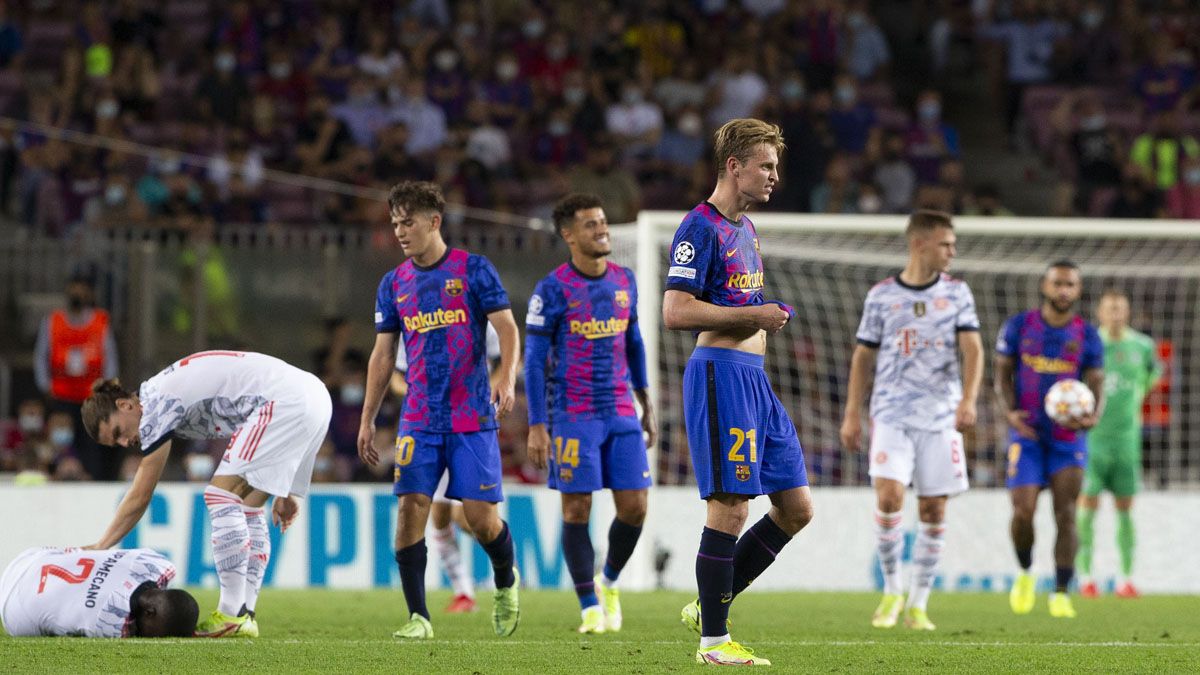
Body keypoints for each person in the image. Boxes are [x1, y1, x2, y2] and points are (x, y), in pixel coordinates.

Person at [662, 118, 813, 666]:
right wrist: (755, 314)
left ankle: (709, 607)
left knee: (795, 508)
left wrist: (764, 315)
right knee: (730, 507)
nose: (775, 176)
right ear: (734, 166)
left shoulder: (745, 229)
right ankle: (714, 644)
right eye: (766, 166)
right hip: (721, 374)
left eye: (776, 166)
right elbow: (675, 311)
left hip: (755, 381)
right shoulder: (698, 227)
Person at [357, 181, 521, 640]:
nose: (400, 231)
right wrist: (368, 417)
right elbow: (383, 355)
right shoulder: (394, 284)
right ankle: (418, 618)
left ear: (434, 221)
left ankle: (506, 582)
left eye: (407, 221)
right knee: (411, 507)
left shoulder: (473, 270)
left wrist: (506, 376)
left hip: (472, 417)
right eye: (394, 223)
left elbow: (507, 328)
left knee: (482, 521)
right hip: (419, 419)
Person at [79, 350, 333, 638]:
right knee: (248, 507)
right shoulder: (161, 391)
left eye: (118, 433)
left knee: (220, 496)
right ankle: (245, 615)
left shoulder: (154, 405)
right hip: (314, 397)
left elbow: (141, 494)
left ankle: (230, 613)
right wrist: (286, 490)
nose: (126, 442)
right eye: (117, 443)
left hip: (284, 402)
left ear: (125, 405)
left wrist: (102, 545)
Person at [841, 211, 982, 631]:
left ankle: (919, 603)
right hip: (891, 412)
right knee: (888, 497)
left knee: (934, 506)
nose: (952, 252)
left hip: (940, 416)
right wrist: (852, 412)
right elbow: (863, 355)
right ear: (920, 243)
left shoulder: (957, 293)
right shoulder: (882, 296)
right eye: (946, 244)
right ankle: (892, 590)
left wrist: (968, 400)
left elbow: (973, 350)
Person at [524, 193, 657, 634]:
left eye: (603, 222)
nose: (602, 230)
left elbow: (635, 343)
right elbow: (534, 362)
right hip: (573, 413)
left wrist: (647, 402)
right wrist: (538, 425)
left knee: (635, 507)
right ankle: (589, 607)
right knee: (577, 508)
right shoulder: (552, 289)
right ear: (568, 235)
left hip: (620, 407)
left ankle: (610, 580)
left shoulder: (625, 280)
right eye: (590, 225)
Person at [994, 261, 1104, 619]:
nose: (1063, 290)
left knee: (1066, 513)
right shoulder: (1020, 326)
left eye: (1070, 284)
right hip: (1026, 436)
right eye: (1057, 283)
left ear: (1078, 290)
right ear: (1044, 286)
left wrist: (1095, 414)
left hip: (1067, 438)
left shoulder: (1086, 334)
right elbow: (1002, 374)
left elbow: (1097, 380)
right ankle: (1025, 572)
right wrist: (1009, 412)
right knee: (1023, 512)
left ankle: (1060, 592)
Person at [391, 322, 503, 614]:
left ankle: (507, 563)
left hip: (469, 425)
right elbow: (396, 377)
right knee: (439, 516)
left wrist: (484, 393)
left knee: (470, 518)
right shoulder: (415, 323)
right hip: (429, 427)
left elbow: (504, 363)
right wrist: (420, 392)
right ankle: (464, 591)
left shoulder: (482, 321)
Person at [1077, 290, 1161, 599]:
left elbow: (1154, 373)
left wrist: (1139, 394)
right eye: (1110, 309)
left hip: (1127, 441)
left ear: (1127, 312)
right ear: (1100, 312)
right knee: (1087, 508)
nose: (1115, 314)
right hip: (1092, 441)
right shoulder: (1089, 344)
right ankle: (1086, 577)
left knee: (1125, 508)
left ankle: (1125, 579)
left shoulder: (1143, 346)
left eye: (1120, 309)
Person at [0, 546, 198, 638]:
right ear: (149, 612)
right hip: (12, 609)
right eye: (150, 634)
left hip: (32, 557)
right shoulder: (110, 621)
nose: (142, 636)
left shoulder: (158, 563)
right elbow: (127, 631)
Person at [34, 272, 119, 480]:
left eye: (82, 289)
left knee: (92, 445)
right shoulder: (53, 321)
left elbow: (110, 359)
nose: (77, 293)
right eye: (74, 288)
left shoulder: (100, 321)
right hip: (61, 397)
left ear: (89, 293)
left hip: (91, 397)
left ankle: (91, 481)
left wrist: (106, 392)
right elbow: (41, 356)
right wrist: (46, 386)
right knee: (60, 444)